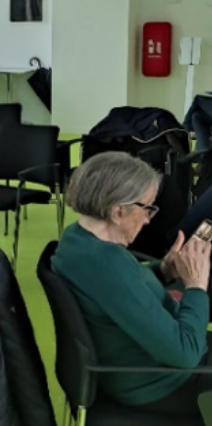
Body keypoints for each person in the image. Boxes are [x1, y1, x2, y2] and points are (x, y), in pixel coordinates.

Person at [52, 151, 212, 417]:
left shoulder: (77, 239)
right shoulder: (106, 263)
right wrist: (196, 285)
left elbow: (123, 291)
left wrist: (163, 270)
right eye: (147, 208)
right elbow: (185, 354)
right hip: (159, 382)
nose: (148, 219)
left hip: (139, 361)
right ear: (118, 212)